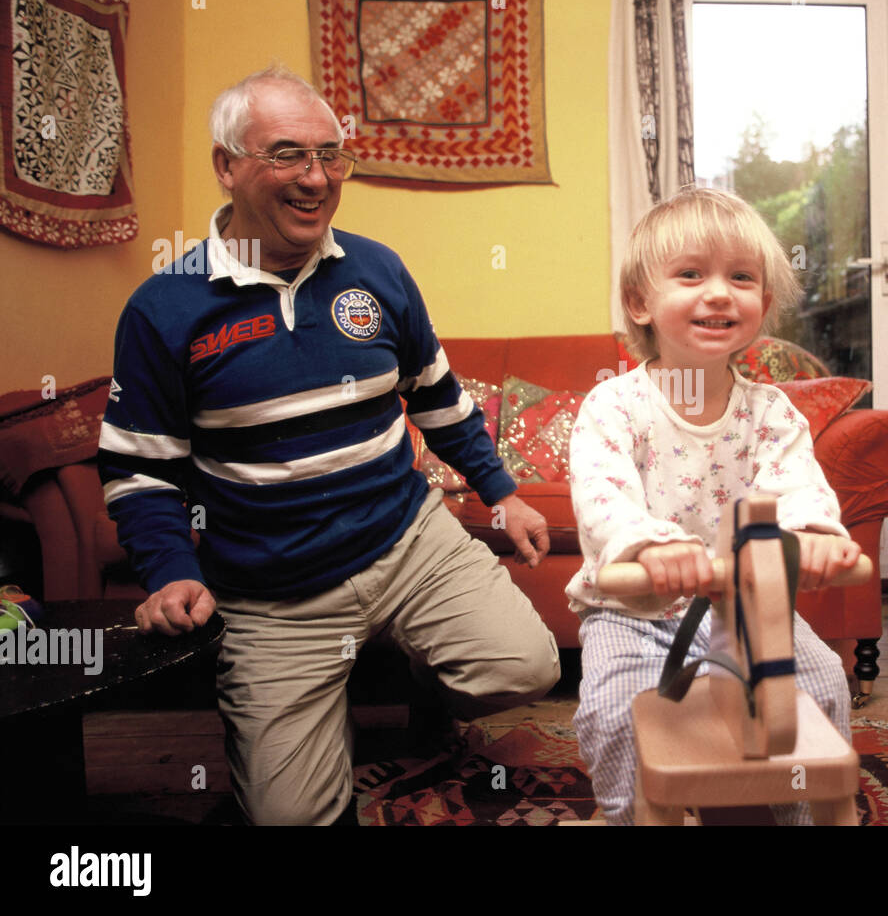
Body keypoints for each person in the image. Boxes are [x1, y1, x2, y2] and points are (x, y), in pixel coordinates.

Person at [97, 65, 560, 825]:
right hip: (273, 598)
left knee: (525, 665)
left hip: (408, 545)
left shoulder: (377, 270)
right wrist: (172, 569)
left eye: (331, 155)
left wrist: (501, 492)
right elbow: (141, 469)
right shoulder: (163, 309)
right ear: (226, 166)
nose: (317, 179)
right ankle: (315, 717)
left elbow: (437, 396)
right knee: (290, 817)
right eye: (287, 155)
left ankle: (412, 665)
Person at [566, 186, 862, 825]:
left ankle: (794, 814)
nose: (720, 292)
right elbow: (603, 499)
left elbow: (796, 490)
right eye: (692, 274)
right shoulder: (613, 408)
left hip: (744, 609)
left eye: (742, 278)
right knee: (615, 712)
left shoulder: (771, 413)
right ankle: (629, 814)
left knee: (822, 686)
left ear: (765, 303)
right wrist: (653, 548)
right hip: (632, 611)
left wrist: (810, 534)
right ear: (641, 303)